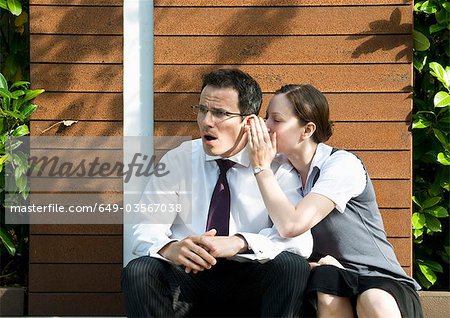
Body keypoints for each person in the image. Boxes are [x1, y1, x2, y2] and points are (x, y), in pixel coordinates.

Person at [121, 69, 313, 317]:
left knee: (292, 266)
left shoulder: (277, 167)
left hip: (250, 280)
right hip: (190, 279)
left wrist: (240, 243)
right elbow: (144, 228)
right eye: (202, 110)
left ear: (249, 122)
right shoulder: (179, 159)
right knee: (139, 270)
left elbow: (301, 242)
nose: (207, 121)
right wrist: (171, 248)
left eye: (220, 113)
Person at [246, 84, 423, 318]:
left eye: (277, 120)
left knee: (373, 299)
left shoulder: (342, 164)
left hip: (378, 280)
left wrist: (261, 167)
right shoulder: (280, 170)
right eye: (266, 117)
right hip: (327, 279)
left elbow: (291, 225)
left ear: (307, 130)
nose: (266, 126)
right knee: (325, 286)